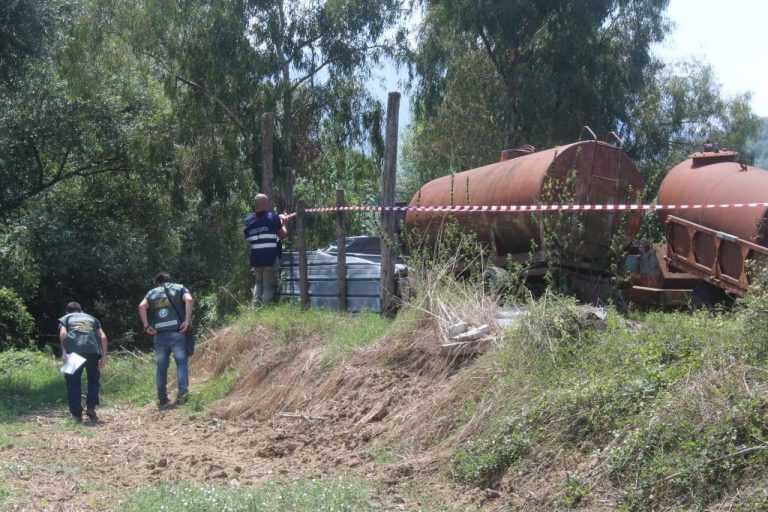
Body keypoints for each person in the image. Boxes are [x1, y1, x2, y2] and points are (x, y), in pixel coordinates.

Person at [138, 272, 194, 408]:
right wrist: (187, 320)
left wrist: (146, 326)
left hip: (159, 335)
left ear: (157, 283)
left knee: (161, 367)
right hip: (178, 333)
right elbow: (189, 299)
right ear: (169, 280)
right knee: (181, 364)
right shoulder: (179, 288)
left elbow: (141, 306)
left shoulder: (151, 293)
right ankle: (183, 396)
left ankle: (162, 398)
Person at [59, 302, 108, 423]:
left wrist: (64, 352)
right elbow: (103, 337)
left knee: (73, 383)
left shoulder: (66, 318)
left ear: (67, 311)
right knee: (93, 381)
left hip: (74, 352)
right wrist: (104, 356)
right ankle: (91, 408)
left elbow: (63, 333)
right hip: (92, 351)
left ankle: (76, 414)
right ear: (81, 310)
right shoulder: (92, 318)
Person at [244, 193, 288, 306]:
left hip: (256, 259)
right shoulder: (272, 217)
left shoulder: (248, 220)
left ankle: (255, 307)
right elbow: (283, 234)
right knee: (268, 285)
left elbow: (248, 237)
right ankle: (266, 307)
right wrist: (284, 223)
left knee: (258, 284)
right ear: (265, 203)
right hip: (270, 258)